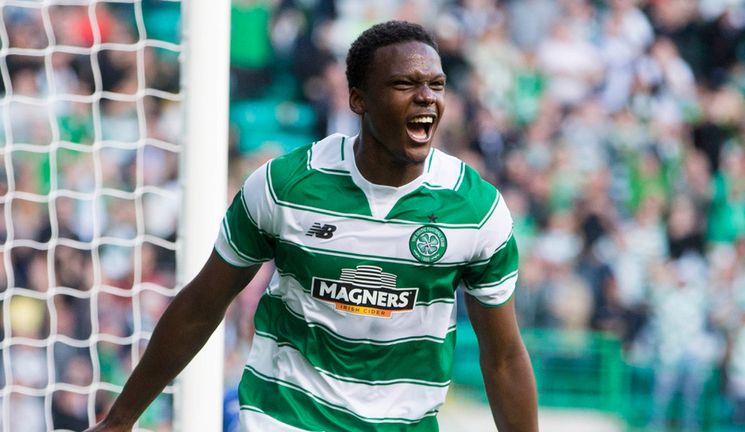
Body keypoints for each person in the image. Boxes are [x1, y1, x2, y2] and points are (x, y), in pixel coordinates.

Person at [86, 20, 538, 432]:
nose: (426, 97)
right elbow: (203, 303)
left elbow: (503, 358)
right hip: (285, 420)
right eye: (404, 84)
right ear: (358, 99)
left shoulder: (476, 211)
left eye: (436, 85)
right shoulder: (285, 186)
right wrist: (120, 420)